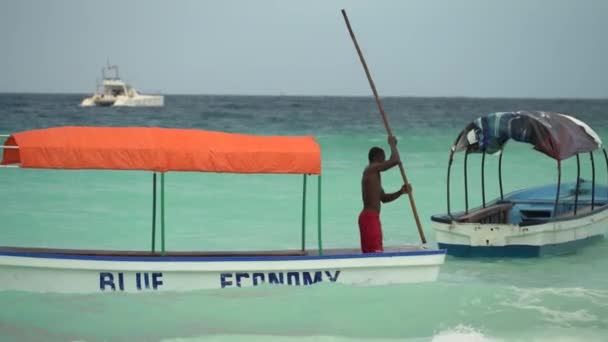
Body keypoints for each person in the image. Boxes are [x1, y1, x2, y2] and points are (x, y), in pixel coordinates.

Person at [359, 135, 411, 253]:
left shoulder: (374, 176)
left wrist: (401, 192)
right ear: (376, 157)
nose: (385, 160)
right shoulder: (370, 169)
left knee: (372, 253)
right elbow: (395, 160)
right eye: (383, 158)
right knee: (375, 253)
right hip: (369, 218)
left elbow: (384, 198)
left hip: (371, 218)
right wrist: (392, 144)